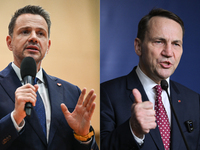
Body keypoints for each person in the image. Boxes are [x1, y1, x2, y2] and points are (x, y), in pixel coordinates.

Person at [0, 5, 99, 150]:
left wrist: (83, 136)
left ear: (48, 45)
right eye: (25, 31)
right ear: (9, 42)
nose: (33, 37)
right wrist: (14, 119)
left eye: (41, 33)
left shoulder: (71, 93)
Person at [100, 8, 200, 150]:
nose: (169, 52)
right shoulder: (106, 94)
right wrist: (132, 130)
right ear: (138, 46)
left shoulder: (194, 101)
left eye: (176, 44)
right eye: (159, 41)